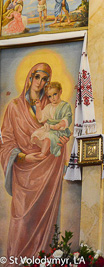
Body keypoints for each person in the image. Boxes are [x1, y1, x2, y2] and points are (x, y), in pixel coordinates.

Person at [0, 63, 70, 264]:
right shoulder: (13, 107)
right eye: (37, 77)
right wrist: (22, 157)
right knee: (21, 220)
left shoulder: (52, 108)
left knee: (44, 219)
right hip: (23, 173)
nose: (40, 83)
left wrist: (62, 142)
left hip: (47, 169)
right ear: (30, 77)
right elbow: (5, 141)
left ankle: (41, 259)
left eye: (45, 79)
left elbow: (59, 131)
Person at [31, 81, 72, 157]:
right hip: (50, 128)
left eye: (54, 94)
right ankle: (49, 148)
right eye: (49, 96)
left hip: (60, 130)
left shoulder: (65, 106)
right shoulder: (48, 107)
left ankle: (43, 153)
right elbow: (40, 118)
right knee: (35, 137)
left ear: (60, 92)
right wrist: (38, 107)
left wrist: (59, 125)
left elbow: (67, 118)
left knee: (47, 138)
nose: (52, 98)